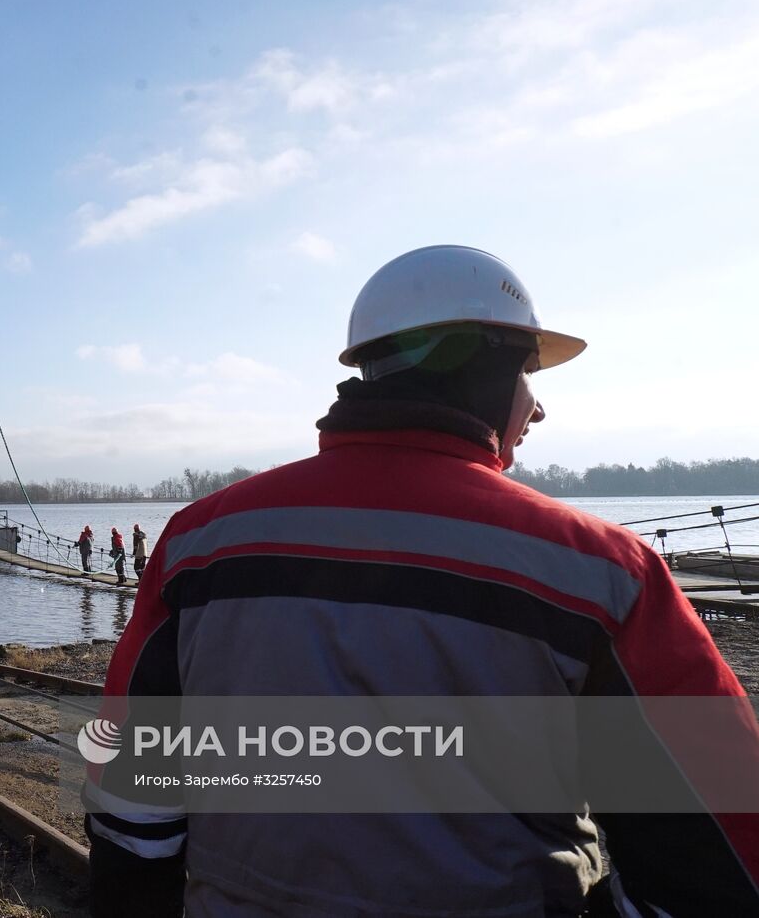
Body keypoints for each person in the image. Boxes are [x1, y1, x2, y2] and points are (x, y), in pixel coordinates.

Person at [85, 245, 759, 917]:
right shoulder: (603, 572)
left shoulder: (199, 542)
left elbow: (131, 804)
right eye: (529, 372)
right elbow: (725, 855)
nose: (538, 409)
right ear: (486, 371)